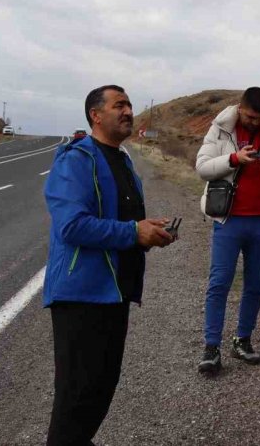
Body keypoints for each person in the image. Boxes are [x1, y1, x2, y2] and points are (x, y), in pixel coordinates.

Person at [43, 85, 175, 446]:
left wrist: (151, 232)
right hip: (81, 295)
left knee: (100, 389)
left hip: (115, 291)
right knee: (75, 398)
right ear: (95, 115)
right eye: (119, 105)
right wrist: (134, 232)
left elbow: (124, 222)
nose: (129, 111)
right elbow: (71, 225)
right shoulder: (76, 159)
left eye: (130, 105)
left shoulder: (124, 161)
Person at [195, 86, 260, 375]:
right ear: (240, 109)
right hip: (228, 220)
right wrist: (234, 159)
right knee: (219, 283)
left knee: (255, 286)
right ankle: (211, 347)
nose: (255, 122)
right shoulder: (221, 129)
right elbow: (202, 167)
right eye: (251, 116)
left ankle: (243, 340)